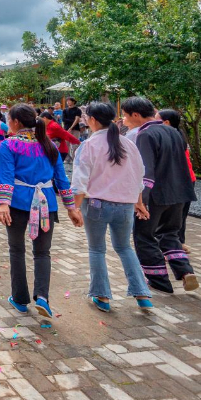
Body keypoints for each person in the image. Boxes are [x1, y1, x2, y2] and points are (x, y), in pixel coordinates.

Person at [0, 104, 82, 318]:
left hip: (17, 204)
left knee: (16, 250)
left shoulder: (9, 145)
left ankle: (19, 298)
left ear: (15, 122)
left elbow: (6, 176)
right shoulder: (48, 144)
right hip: (47, 204)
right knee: (43, 252)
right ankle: (42, 297)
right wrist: (71, 207)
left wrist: (3, 203)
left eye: (9, 119)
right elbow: (62, 180)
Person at [71, 102, 153, 312]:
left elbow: (80, 181)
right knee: (125, 247)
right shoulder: (128, 144)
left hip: (96, 205)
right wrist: (139, 203)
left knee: (97, 249)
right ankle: (142, 294)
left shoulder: (88, 145)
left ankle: (102, 296)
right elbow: (139, 176)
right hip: (125, 206)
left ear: (93, 120)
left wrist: (75, 208)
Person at [122, 97, 198, 294]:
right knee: (169, 234)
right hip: (180, 192)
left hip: (156, 196)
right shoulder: (173, 131)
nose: (124, 119)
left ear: (136, 115)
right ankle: (185, 271)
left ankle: (159, 280)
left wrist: (141, 200)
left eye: (126, 115)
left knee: (144, 236)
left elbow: (146, 172)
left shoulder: (145, 134)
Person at [156, 109, 196, 255]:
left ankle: (174, 245)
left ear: (166, 122)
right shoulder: (178, 135)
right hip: (185, 179)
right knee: (178, 215)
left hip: (180, 179)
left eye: (156, 119)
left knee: (174, 216)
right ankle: (177, 243)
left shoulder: (172, 137)